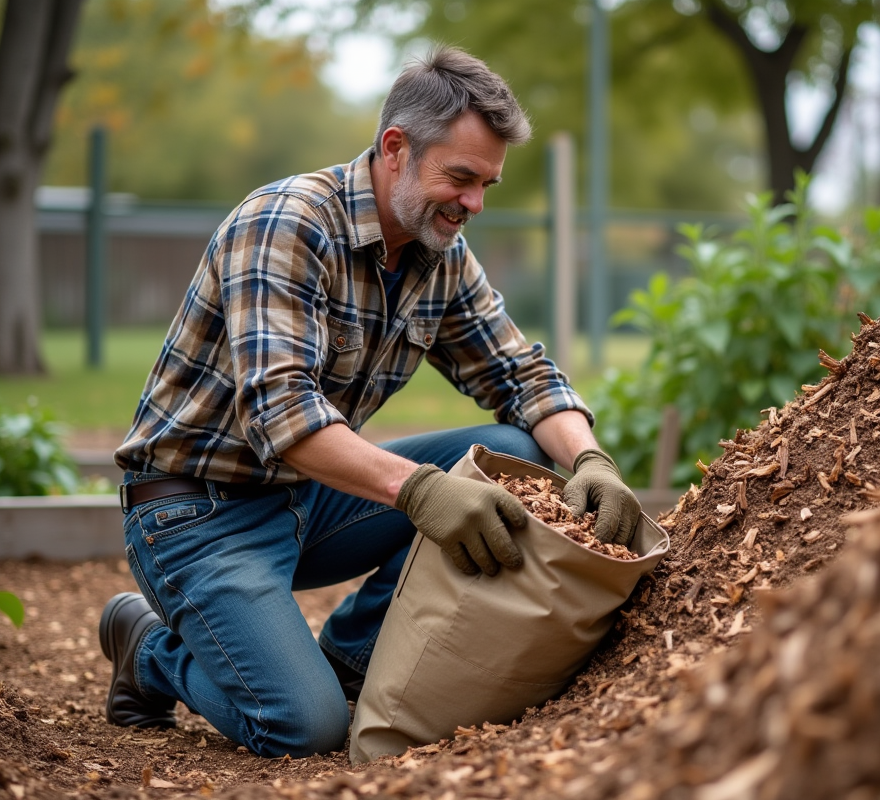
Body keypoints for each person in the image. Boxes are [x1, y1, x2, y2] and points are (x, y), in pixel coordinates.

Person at [100, 45, 642, 758]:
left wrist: (592, 460)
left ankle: (347, 657)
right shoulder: (286, 224)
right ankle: (146, 649)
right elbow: (285, 418)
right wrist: (419, 492)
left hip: (308, 501)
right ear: (396, 148)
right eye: (462, 177)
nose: (474, 203)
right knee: (305, 727)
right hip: (195, 515)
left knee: (519, 453)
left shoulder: (435, 251)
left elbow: (522, 375)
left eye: (487, 186)